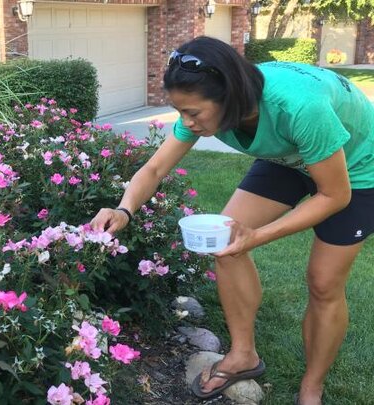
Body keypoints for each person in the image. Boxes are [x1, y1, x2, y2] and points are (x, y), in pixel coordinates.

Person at [90, 36, 374, 405]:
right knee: (226, 240)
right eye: (181, 112)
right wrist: (123, 209)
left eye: (194, 113)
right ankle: (244, 355)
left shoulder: (300, 106)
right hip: (288, 157)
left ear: (231, 97)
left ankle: (311, 387)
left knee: (323, 282)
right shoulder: (210, 107)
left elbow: (335, 195)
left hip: (356, 169)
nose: (187, 123)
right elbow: (156, 166)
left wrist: (257, 235)